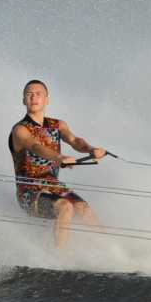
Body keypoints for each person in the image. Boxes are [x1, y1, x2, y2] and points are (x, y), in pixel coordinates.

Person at [8, 79, 106, 249]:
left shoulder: (58, 125)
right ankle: (60, 259)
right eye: (29, 94)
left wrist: (92, 149)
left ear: (47, 100)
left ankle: (110, 250)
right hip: (29, 192)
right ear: (23, 100)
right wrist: (59, 158)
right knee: (65, 206)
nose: (34, 97)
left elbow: (75, 141)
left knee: (84, 208)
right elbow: (35, 146)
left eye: (38, 94)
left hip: (54, 186)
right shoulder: (20, 130)